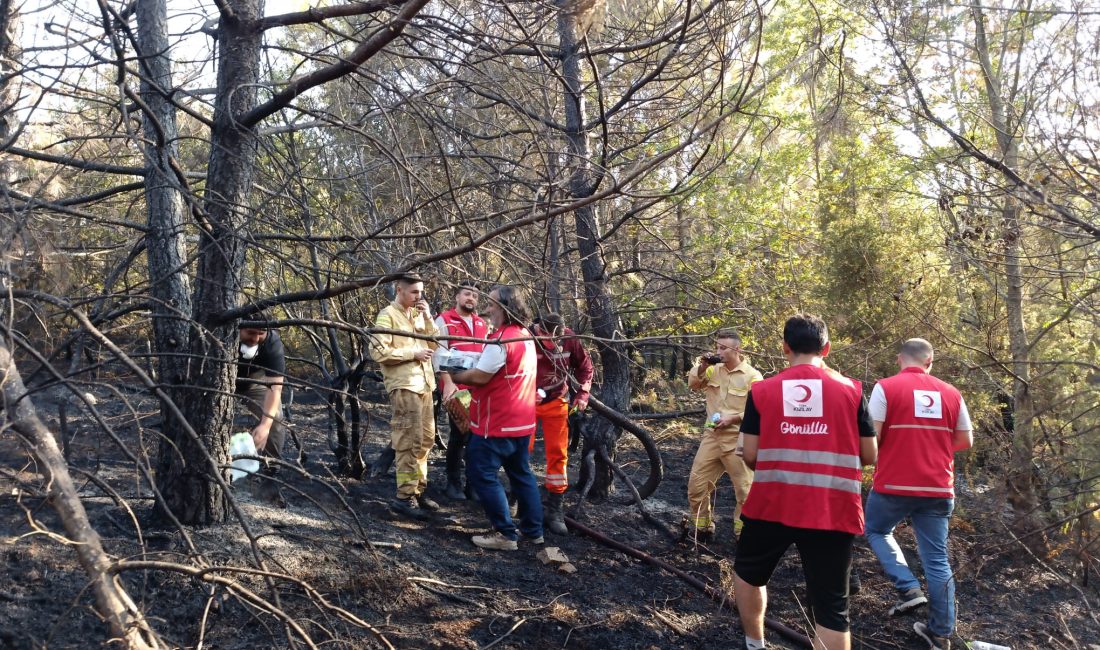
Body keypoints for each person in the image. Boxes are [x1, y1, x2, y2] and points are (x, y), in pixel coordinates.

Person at [733, 314, 877, 650]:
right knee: (832, 609)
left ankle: (755, 645)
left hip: (772, 504)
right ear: (826, 348)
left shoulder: (762, 391)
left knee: (748, 575)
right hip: (833, 509)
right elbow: (869, 455)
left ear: (785, 347)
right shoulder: (853, 391)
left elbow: (750, 454)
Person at [864, 338, 973, 650]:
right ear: (930, 362)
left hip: (894, 484)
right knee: (937, 559)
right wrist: (932, 446)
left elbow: (874, 435)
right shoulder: (952, 393)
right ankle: (941, 634)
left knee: (876, 529)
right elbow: (965, 440)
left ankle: (909, 588)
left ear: (900, 359)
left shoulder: (886, 388)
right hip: (938, 486)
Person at [449, 285, 544, 551]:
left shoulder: (501, 340)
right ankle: (534, 531)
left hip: (496, 423)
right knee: (522, 474)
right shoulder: (524, 335)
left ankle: (505, 534)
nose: (487, 309)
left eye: (492, 304)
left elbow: (480, 377)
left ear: (504, 307)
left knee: (482, 474)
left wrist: (452, 375)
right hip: (522, 422)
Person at [368, 273, 440, 520]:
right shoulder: (386, 315)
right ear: (399, 290)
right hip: (404, 385)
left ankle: (418, 489)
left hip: (425, 384)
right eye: (414, 292)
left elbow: (434, 345)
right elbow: (378, 351)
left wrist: (429, 317)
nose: (419, 297)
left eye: (421, 292)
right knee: (408, 440)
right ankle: (404, 496)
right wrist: (412, 353)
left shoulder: (419, 314)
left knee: (426, 440)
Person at [684, 328, 763, 542]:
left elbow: (760, 409)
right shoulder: (713, 369)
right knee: (696, 486)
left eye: (723, 348)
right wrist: (703, 365)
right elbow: (693, 383)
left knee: (745, 492)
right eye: (717, 347)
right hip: (712, 438)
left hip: (738, 440)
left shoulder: (753, 377)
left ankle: (743, 535)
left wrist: (733, 418)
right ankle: (702, 529)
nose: (718, 351)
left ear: (737, 349)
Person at [530, 312, 593, 535]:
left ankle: (554, 507)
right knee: (519, 449)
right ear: (540, 330)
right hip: (526, 402)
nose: (554, 344)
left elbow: (585, 367)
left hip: (557, 400)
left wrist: (583, 394)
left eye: (558, 340)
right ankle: (515, 498)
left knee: (558, 453)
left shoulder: (569, 338)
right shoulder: (526, 336)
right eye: (549, 339)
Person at [434, 280, 489, 500]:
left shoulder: (481, 324)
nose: (471, 299)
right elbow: (439, 354)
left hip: (478, 386)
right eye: (467, 294)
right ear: (457, 296)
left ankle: (472, 484)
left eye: (475, 296)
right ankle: (453, 482)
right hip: (456, 387)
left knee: (477, 436)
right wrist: (447, 382)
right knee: (460, 433)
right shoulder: (445, 320)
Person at [237, 309, 287, 506]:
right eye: (250, 333)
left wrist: (265, 425)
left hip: (254, 381)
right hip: (216, 378)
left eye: (261, 333)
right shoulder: (222, 333)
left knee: (275, 420)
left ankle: (269, 477)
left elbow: (275, 387)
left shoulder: (272, 342)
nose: (256, 338)